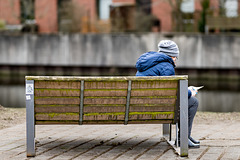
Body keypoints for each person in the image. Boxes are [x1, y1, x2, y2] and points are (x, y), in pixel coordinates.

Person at [135, 40, 200, 148]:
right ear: (172, 56)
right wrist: (190, 92)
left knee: (184, 100)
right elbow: (172, 91)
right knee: (193, 102)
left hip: (141, 104)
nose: (175, 60)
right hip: (157, 106)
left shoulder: (146, 62)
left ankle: (185, 136)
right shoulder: (167, 66)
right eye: (175, 57)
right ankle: (182, 138)